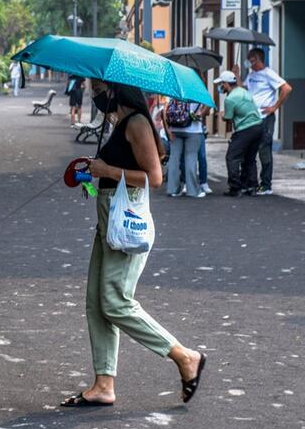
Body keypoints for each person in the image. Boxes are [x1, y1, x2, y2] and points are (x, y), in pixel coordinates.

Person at [60, 80, 207, 407]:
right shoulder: (118, 124)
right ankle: (103, 384)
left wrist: (106, 168)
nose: (94, 94)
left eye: (97, 87)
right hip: (109, 217)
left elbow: (154, 179)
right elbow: (118, 173)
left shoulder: (137, 123)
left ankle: (184, 356)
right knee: (96, 302)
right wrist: (95, 178)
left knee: (115, 302)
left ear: (114, 89)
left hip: (126, 223)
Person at [245, 47, 292, 196]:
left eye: (251, 60)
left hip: (265, 118)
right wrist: (236, 75)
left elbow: (287, 88)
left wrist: (274, 107)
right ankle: (253, 182)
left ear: (258, 60)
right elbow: (243, 88)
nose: (249, 63)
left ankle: (266, 184)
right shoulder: (251, 75)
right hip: (252, 117)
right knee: (251, 149)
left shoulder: (268, 74)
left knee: (264, 149)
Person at [214, 71, 264, 196]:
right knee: (250, 158)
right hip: (258, 127)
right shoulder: (244, 92)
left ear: (226, 84)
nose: (220, 87)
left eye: (221, 84)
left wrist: (222, 116)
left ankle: (235, 188)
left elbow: (229, 118)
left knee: (232, 157)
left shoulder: (230, 99)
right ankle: (252, 186)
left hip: (244, 129)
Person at [163, 97, 207, 198]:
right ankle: (192, 191)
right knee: (191, 157)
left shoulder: (175, 90)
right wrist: (202, 112)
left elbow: (164, 111)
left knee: (174, 158)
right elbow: (209, 103)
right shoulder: (197, 92)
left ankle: (172, 190)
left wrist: (168, 130)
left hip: (175, 129)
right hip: (193, 130)